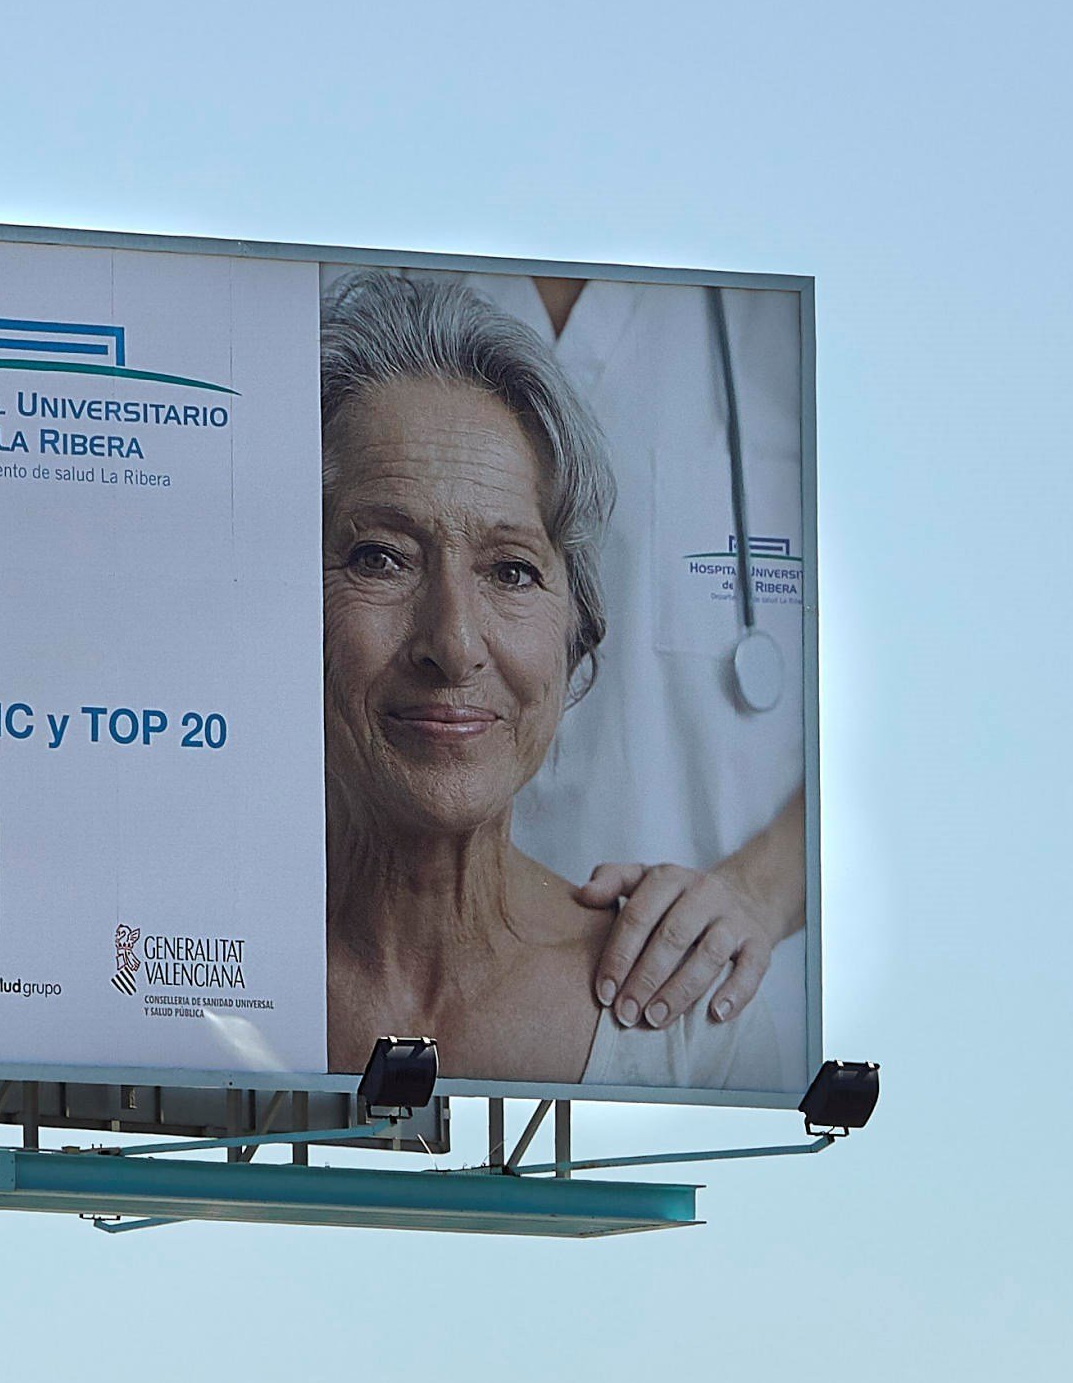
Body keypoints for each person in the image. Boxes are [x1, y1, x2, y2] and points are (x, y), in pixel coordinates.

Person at [315, 271, 797, 1090]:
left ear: (579, 641)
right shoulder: (189, 984)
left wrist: (758, 891)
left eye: (510, 570)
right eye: (381, 558)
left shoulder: (704, 1039)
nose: (456, 643)